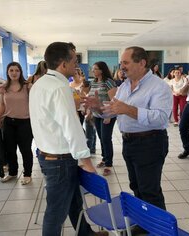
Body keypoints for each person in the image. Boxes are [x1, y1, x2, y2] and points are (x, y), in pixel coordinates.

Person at [29, 42, 108, 236]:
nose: (77, 65)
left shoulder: (40, 83)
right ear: (63, 64)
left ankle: (86, 233)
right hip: (60, 160)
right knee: (56, 212)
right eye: (74, 60)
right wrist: (87, 161)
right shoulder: (59, 88)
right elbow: (71, 128)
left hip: (47, 153)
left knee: (74, 201)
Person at [84, 46, 172, 211]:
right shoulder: (124, 86)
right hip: (129, 143)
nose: (122, 66)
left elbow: (161, 118)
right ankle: (143, 223)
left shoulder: (159, 86)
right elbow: (113, 110)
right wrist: (97, 108)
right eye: (121, 63)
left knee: (150, 191)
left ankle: (158, 229)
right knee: (136, 186)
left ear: (142, 63)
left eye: (126, 62)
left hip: (150, 142)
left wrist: (128, 109)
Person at [0, 62, 34, 185]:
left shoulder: (27, 86)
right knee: (10, 149)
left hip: (25, 122)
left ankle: (27, 174)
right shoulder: (3, 87)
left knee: (25, 149)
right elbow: (2, 104)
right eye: (11, 70)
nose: (14, 73)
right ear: (7, 72)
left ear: (20, 72)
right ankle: (12, 172)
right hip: (9, 122)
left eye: (16, 70)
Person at [89, 61, 117, 176]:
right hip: (97, 115)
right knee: (101, 138)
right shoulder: (94, 82)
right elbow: (92, 98)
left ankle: (109, 164)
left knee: (106, 138)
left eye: (95, 69)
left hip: (107, 115)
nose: (93, 71)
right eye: (93, 69)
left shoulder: (109, 82)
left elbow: (114, 100)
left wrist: (109, 116)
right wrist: (90, 112)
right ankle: (104, 159)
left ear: (102, 70)